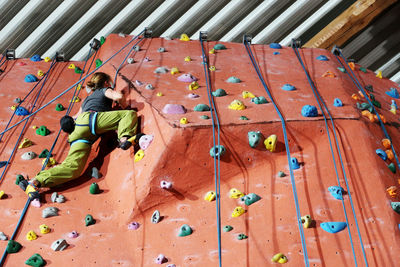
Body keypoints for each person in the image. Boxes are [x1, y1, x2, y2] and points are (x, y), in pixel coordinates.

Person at [19, 72, 140, 199]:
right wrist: (125, 106)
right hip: (91, 121)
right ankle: (125, 139)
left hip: (78, 130)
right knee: (128, 114)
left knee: (73, 169)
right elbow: (119, 95)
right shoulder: (104, 90)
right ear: (105, 83)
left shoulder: (87, 100)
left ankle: (34, 182)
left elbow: (75, 117)